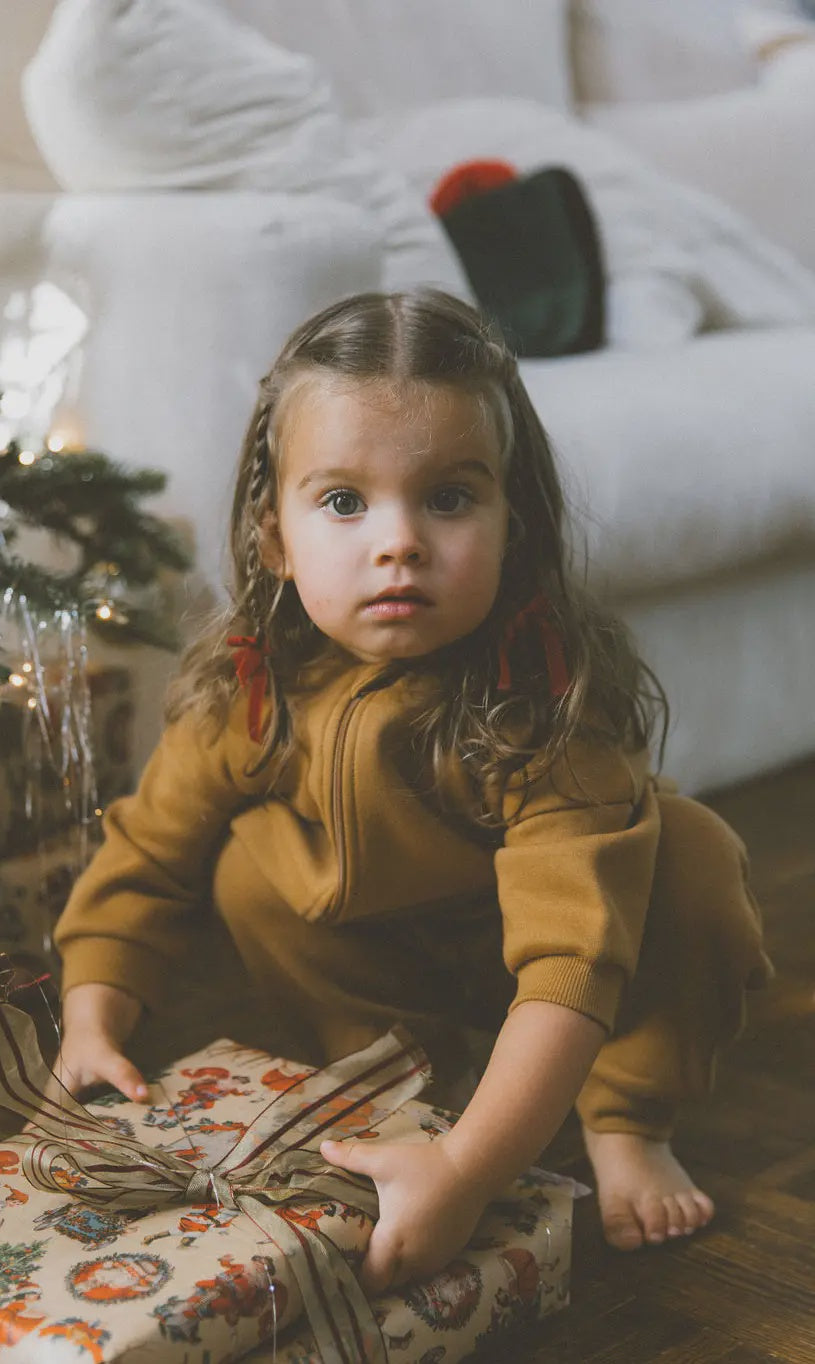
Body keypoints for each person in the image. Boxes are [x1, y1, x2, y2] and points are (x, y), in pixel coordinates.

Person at [52, 289, 772, 1291]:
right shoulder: (248, 687)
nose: (399, 541)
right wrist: (94, 1013)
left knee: (690, 854)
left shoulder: (542, 699)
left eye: (448, 497)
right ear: (275, 539)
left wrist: (472, 1175)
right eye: (344, 501)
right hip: (380, 982)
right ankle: (409, 1100)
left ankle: (625, 1121)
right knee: (243, 866)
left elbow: (571, 961)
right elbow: (146, 856)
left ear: (513, 524)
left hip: (554, 976)